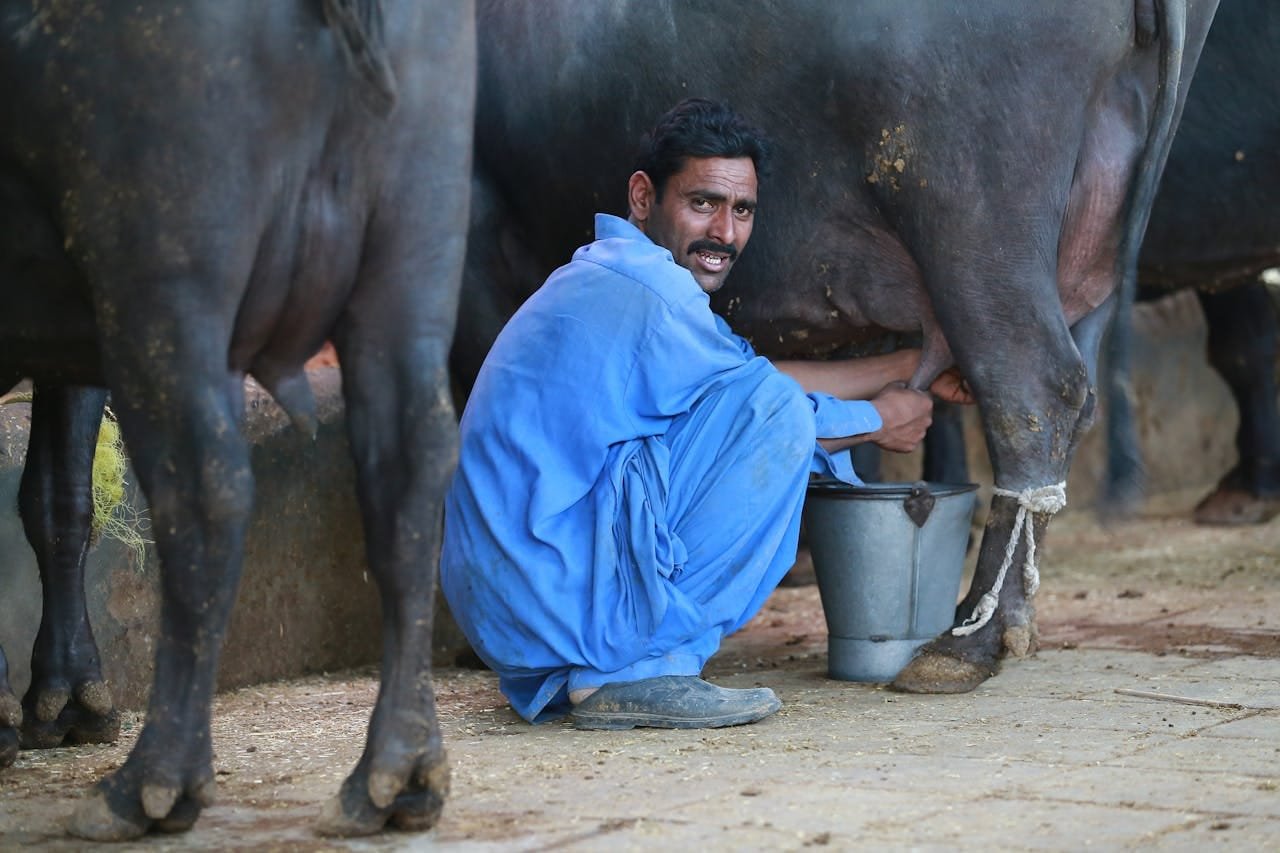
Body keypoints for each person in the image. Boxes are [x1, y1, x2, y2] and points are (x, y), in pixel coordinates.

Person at [441, 98, 970, 730]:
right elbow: (768, 407)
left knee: (768, 409)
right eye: (703, 204)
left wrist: (908, 365)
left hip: (514, 598)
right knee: (781, 420)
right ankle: (633, 672)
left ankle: (600, 672)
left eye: (741, 210)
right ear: (643, 197)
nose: (724, 232)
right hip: (547, 580)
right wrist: (877, 422)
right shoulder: (653, 292)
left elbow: (750, 383)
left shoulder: (615, 275)